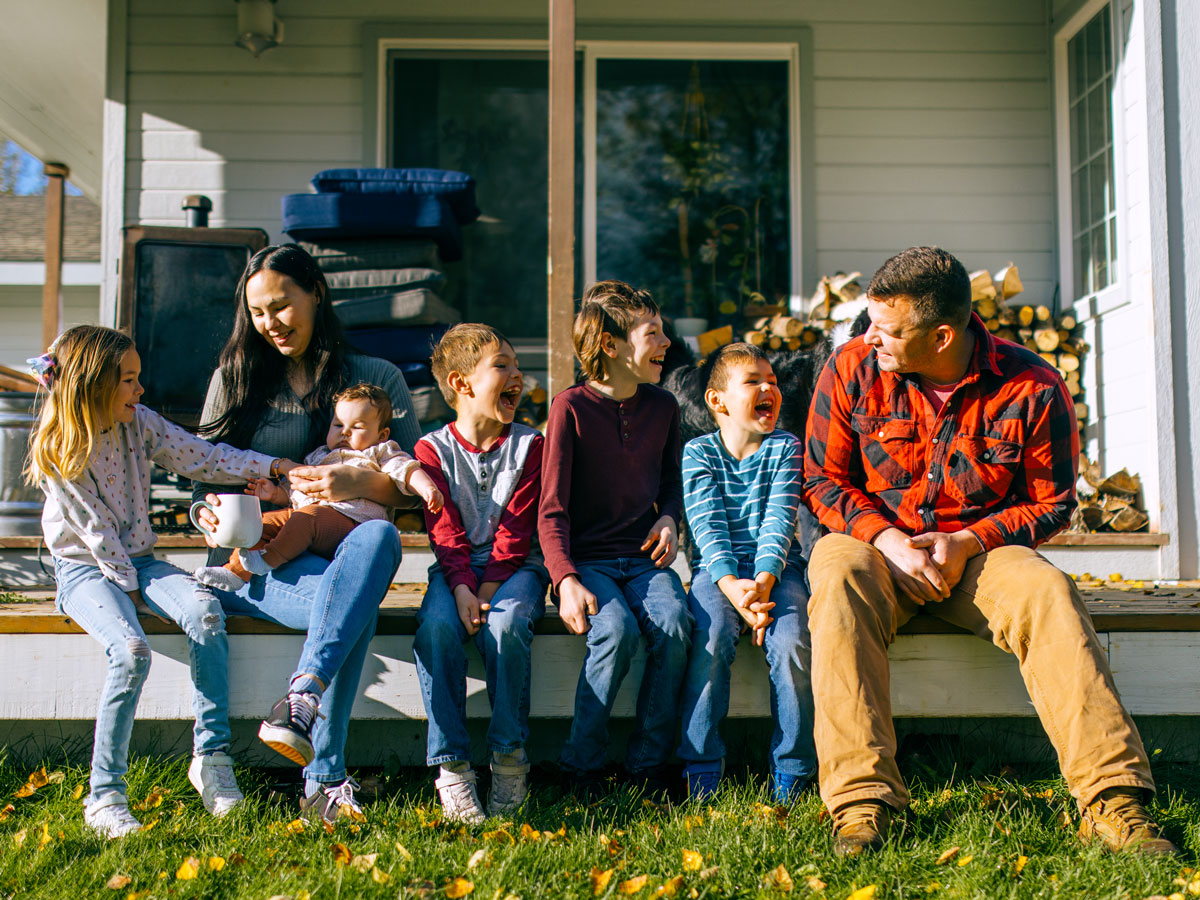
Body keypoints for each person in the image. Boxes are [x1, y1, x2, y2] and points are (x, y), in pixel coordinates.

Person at [803, 246, 1176, 856]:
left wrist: (967, 542)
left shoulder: (1033, 386)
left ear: (942, 335)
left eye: (888, 329)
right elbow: (820, 478)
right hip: (874, 545)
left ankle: (1113, 804)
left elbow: (1053, 502)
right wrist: (891, 541)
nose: (870, 337)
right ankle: (862, 805)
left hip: (980, 554)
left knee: (1048, 591)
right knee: (838, 578)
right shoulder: (850, 368)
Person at [26, 325, 295, 838]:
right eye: (129, 381)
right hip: (85, 569)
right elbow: (97, 534)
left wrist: (278, 466)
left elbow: (206, 456)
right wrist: (130, 600)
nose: (141, 390)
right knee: (130, 652)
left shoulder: (139, 423)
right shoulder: (61, 450)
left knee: (205, 611)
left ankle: (212, 759)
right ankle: (105, 797)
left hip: (141, 560)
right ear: (94, 387)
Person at [194, 243, 418, 822]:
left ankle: (302, 701)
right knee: (354, 608)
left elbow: (416, 497)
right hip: (255, 560)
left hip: (345, 550)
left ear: (315, 291)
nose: (270, 323)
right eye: (259, 312)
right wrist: (210, 516)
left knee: (382, 541)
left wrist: (352, 484)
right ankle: (324, 777)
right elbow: (201, 488)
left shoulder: (375, 380)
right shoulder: (235, 378)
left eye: (282, 305)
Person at [538, 280, 692, 794]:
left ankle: (647, 767)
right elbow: (551, 510)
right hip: (589, 564)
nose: (666, 342)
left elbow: (671, 483)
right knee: (618, 632)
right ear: (612, 345)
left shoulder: (663, 408)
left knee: (673, 624)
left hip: (645, 561)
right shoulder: (570, 409)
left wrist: (669, 518)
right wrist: (564, 579)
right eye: (653, 333)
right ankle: (582, 768)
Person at [412, 324, 548, 822]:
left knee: (507, 625)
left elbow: (516, 530)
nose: (518, 376)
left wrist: (485, 592)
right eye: (502, 366)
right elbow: (443, 529)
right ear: (462, 383)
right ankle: (451, 766)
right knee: (436, 628)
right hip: (455, 570)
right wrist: (463, 588)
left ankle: (510, 758)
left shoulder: (530, 446)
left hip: (515, 571)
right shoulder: (431, 451)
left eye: (516, 365)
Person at [676, 343, 815, 804]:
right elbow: (706, 526)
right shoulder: (697, 453)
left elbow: (780, 518)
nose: (768, 388)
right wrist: (734, 590)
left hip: (778, 573)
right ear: (717, 401)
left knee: (792, 642)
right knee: (711, 638)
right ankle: (701, 768)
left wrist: (764, 582)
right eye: (754, 381)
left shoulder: (785, 447)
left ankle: (793, 771)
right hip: (717, 576)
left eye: (772, 381)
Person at [194, 382, 442, 592]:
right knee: (262, 523)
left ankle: (268, 559)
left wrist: (426, 488)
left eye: (356, 427)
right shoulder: (320, 455)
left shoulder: (380, 452)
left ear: (381, 434)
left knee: (306, 519)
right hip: (308, 516)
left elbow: (406, 469)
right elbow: (301, 489)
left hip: (351, 522)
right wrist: (278, 494)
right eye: (338, 425)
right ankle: (234, 572)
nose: (344, 432)